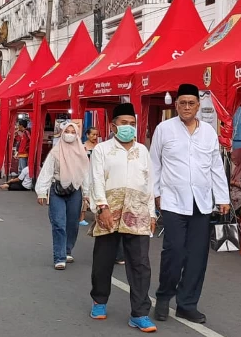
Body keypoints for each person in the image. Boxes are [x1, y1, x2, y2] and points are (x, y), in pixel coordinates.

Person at [150, 84, 230, 324]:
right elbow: (155, 163)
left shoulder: (208, 132)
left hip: (202, 203)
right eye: (182, 103)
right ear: (176, 105)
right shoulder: (164, 129)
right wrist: (155, 194)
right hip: (173, 201)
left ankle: (187, 304)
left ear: (198, 105)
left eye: (191, 103)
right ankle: (164, 297)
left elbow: (215, 166)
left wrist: (223, 197)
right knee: (174, 252)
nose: (186, 107)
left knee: (197, 257)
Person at [88, 103, 157, 332]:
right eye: (124, 123)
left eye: (132, 124)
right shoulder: (102, 150)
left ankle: (139, 313)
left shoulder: (143, 151)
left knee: (140, 264)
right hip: (109, 210)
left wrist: (152, 213)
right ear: (113, 125)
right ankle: (99, 300)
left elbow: (149, 184)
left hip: (137, 212)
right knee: (103, 260)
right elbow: (96, 179)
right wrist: (101, 207)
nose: (129, 127)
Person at [35, 122, 89, 270]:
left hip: (75, 190)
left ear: (77, 135)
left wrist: (87, 193)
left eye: (73, 132)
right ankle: (59, 257)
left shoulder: (81, 153)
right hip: (57, 189)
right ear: (63, 133)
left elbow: (85, 174)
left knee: (72, 224)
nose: (70, 134)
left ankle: (67, 250)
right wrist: (42, 191)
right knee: (59, 223)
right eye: (67, 131)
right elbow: (47, 171)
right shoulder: (55, 152)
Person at [81, 127, 100, 226]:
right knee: (85, 194)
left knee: (97, 193)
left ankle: (97, 217)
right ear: (87, 135)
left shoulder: (99, 147)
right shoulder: (82, 147)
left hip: (96, 173)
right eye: (92, 134)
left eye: (96, 134)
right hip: (85, 173)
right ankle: (81, 217)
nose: (95, 136)